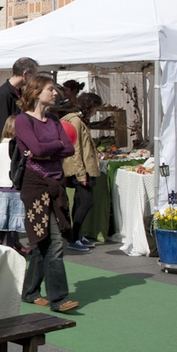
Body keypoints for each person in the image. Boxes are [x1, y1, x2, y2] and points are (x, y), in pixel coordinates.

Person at [15, 74, 79, 313]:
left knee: (46, 243)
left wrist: (45, 151)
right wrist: (53, 148)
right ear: (35, 92)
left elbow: (69, 147)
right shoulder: (23, 121)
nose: (55, 93)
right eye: (50, 89)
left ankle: (30, 291)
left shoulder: (53, 119)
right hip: (35, 185)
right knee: (53, 243)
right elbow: (37, 148)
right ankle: (59, 298)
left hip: (57, 184)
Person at [0, 57, 38, 240]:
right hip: (8, 152)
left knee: (9, 197)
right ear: (25, 74)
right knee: (4, 195)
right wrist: (8, 150)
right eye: (33, 75)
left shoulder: (13, 92)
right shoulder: (4, 94)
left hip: (13, 151)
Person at [61, 92, 103, 252]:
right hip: (81, 168)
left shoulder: (76, 120)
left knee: (80, 201)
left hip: (83, 167)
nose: (95, 111)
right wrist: (81, 173)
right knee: (86, 202)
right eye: (95, 108)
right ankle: (74, 237)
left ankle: (77, 235)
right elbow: (76, 148)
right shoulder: (76, 121)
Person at [0, 114, 25, 249]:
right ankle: (10, 246)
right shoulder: (18, 147)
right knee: (14, 219)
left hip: (2, 185)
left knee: (3, 216)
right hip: (15, 184)